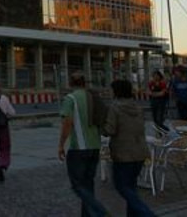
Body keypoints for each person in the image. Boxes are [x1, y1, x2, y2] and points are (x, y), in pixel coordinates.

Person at [58, 71, 109, 217]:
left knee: (77, 185)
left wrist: (61, 145)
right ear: (84, 82)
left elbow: (67, 123)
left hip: (79, 148)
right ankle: (88, 214)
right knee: (88, 183)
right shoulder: (93, 97)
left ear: (70, 83)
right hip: (95, 146)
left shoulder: (70, 98)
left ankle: (100, 212)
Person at [103, 79, 154, 217]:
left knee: (122, 187)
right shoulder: (137, 107)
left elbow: (110, 130)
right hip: (140, 152)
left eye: (111, 89)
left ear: (117, 91)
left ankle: (147, 214)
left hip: (123, 153)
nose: (110, 92)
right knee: (131, 187)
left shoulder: (115, 108)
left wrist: (100, 127)